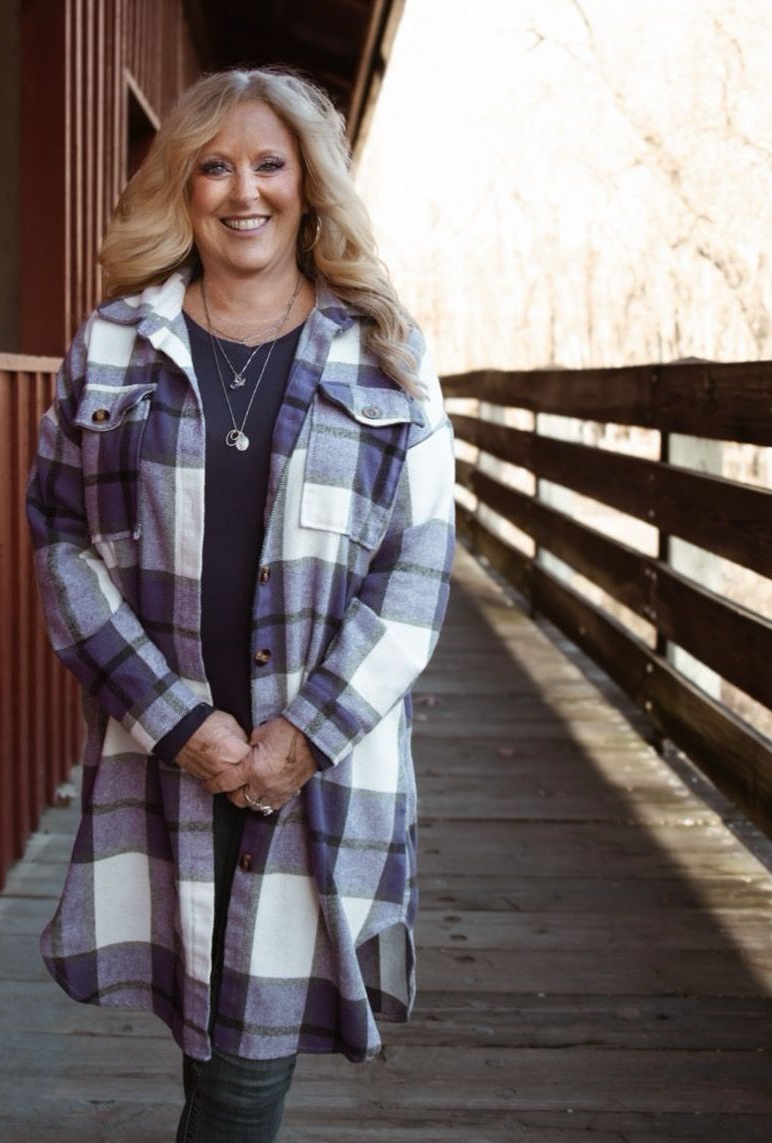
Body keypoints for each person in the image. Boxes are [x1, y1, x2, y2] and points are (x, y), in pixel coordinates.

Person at [26, 66, 455, 1142]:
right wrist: (179, 722)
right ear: (181, 186)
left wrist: (300, 737)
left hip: (316, 759)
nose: (243, 190)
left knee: (246, 1060)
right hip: (166, 747)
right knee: (207, 1028)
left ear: (310, 185)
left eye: (270, 164)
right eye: (213, 167)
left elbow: (416, 570)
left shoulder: (386, 353)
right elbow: (61, 540)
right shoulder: (113, 345)